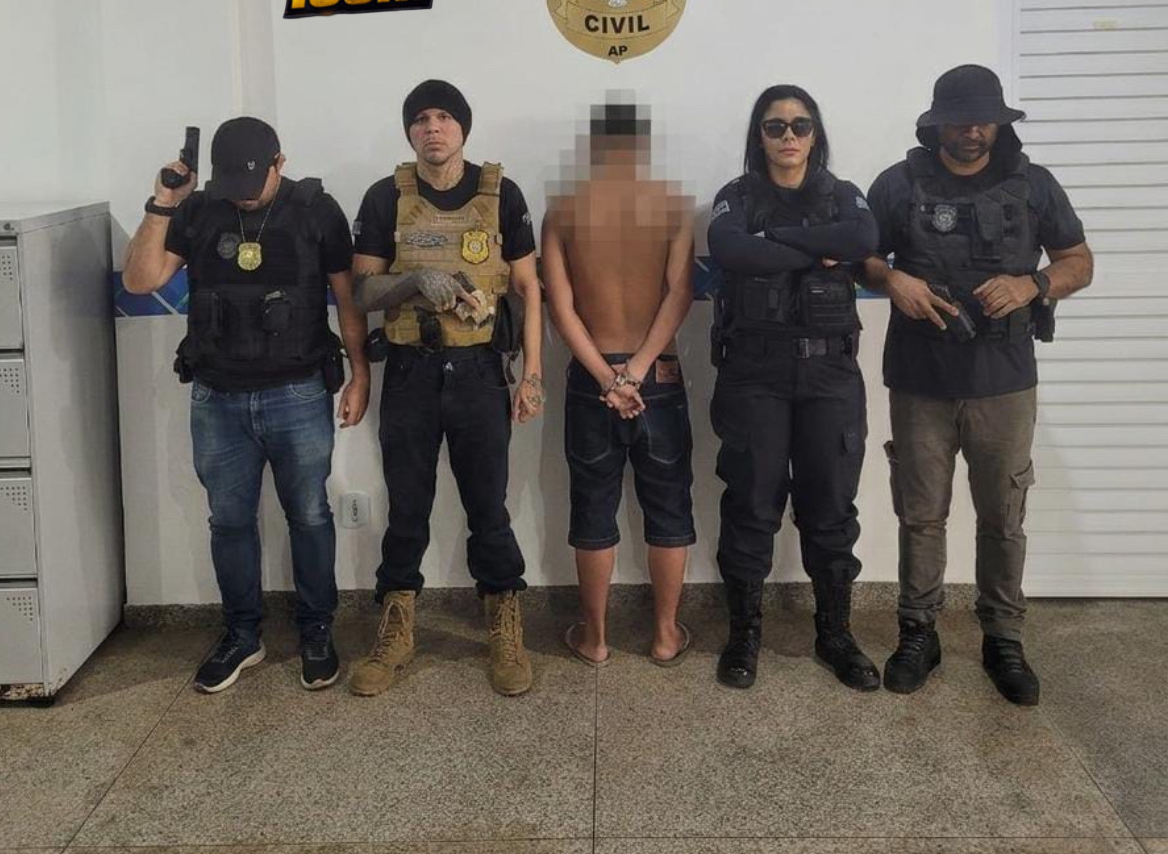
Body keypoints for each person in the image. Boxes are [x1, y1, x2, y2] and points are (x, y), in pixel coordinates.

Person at [863, 64, 1093, 706]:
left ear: (999, 121)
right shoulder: (898, 183)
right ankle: (918, 632)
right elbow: (862, 257)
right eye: (961, 120)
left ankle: (1003, 638)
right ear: (937, 123)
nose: (972, 130)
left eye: (984, 119)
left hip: (1005, 380)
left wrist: (1034, 284)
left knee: (1003, 516)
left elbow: (1079, 262)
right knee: (921, 515)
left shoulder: (1034, 185)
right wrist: (892, 279)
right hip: (920, 378)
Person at [122, 116, 369, 694]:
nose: (243, 194)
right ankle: (241, 635)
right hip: (217, 396)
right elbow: (140, 280)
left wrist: (360, 374)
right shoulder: (198, 209)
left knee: (310, 515)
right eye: (232, 182)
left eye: (254, 181)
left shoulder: (316, 210)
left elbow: (347, 300)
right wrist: (163, 203)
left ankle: (316, 630)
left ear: (280, 162)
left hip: (297, 392)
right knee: (229, 522)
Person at [348, 80, 544, 698]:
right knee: (407, 506)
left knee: (489, 507)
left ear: (462, 127)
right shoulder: (385, 197)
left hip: (480, 372)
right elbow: (362, 291)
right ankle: (396, 629)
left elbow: (527, 289)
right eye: (421, 119)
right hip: (411, 372)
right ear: (409, 131)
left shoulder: (502, 194)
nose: (432, 128)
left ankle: (504, 623)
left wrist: (532, 375)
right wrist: (414, 281)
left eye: (444, 117)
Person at [707, 85, 880, 692]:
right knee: (751, 503)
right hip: (754, 374)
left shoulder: (843, 195)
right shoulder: (736, 197)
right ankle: (743, 635)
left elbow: (861, 240)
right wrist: (816, 247)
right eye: (775, 126)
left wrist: (778, 244)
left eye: (800, 126)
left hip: (830, 376)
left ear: (815, 134)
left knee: (831, 506)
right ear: (759, 136)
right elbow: (730, 249)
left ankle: (835, 634)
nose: (788, 136)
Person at [542, 99, 695, 667]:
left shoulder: (563, 211)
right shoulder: (673, 207)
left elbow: (561, 310)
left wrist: (609, 378)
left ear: (593, 148)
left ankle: (595, 638)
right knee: (669, 507)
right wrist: (637, 370)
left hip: (593, 380)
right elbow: (679, 295)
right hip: (659, 374)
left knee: (593, 508)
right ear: (643, 147)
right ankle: (665, 635)